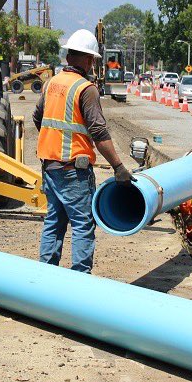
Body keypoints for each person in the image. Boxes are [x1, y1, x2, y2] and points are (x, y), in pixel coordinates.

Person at [34, 29, 132, 273]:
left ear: (68, 57)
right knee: (82, 224)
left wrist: (54, 142)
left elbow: (39, 118)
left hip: (50, 167)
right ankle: (79, 280)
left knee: (54, 222)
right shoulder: (85, 89)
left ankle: (46, 276)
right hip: (72, 171)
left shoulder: (51, 84)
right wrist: (118, 167)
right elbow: (99, 132)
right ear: (89, 60)